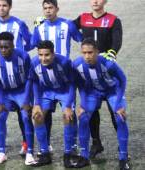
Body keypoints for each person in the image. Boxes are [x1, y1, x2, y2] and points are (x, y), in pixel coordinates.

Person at [73, 0, 123, 158]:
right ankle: (96, 142)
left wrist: (112, 53)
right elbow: (68, 27)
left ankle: (122, 146)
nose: (95, 1)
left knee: (115, 111)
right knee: (91, 111)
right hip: (89, 71)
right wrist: (44, 21)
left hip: (106, 71)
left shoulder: (113, 20)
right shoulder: (83, 18)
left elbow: (117, 41)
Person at [31, 0, 82, 152]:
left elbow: (82, 40)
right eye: (45, 8)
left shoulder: (67, 25)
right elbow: (31, 44)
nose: (48, 11)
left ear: (57, 9)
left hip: (64, 74)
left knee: (69, 115)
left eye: (50, 8)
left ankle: (71, 150)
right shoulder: (39, 27)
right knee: (41, 115)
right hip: (46, 78)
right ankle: (45, 150)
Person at [72, 38, 129, 169]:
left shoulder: (108, 64)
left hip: (113, 91)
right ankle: (84, 156)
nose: (87, 56)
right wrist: (83, 104)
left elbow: (122, 80)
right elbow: (80, 85)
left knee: (120, 118)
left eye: (90, 52)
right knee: (83, 117)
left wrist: (119, 104)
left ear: (97, 52)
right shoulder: (77, 65)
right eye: (84, 53)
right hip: (93, 92)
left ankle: (123, 157)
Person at [0, 0, 32, 155]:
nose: (1, 8)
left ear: (10, 7)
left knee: (22, 112)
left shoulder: (19, 23)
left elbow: (30, 42)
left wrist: (19, 52)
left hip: (17, 66)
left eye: (4, 5)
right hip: (0, 69)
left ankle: (26, 142)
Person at [29, 40, 77, 168]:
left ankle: (68, 154)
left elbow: (73, 84)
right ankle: (45, 154)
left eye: (47, 55)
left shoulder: (65, 62)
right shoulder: (34, 63)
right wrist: (37, 103)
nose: (43, 58)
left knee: (68, 117)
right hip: (46, 92)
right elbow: (34, 82)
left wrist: (68, 106)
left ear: (53, 54)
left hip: (65, 91)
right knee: (37, 116)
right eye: (41, 55)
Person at [0, 32, 35, 165]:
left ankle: (30, 152)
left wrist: (27, 99)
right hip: (5, 93)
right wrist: (0, 101)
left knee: (26, 117)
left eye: (7, 47)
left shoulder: (23, 56)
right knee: (1, 116)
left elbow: (29, 79)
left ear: (13, 45)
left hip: (21, 91)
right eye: (1, 47)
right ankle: (2, 153)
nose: (3, 50)